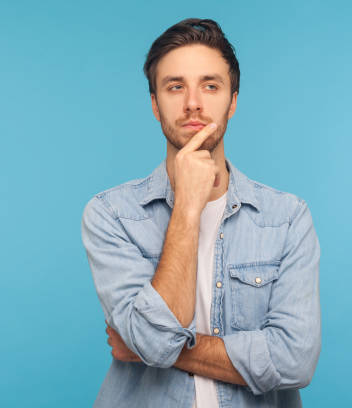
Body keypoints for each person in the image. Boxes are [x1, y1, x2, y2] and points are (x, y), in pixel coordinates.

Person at [81, 17, 321, 408]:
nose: (193, 102)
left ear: (234, 100)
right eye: (175, 87)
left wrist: (150, 346)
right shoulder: (111, 215)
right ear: (156, 106)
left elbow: (294, 361)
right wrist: (188, 207)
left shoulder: (286, 217)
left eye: (211, 86)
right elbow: (154, 341)